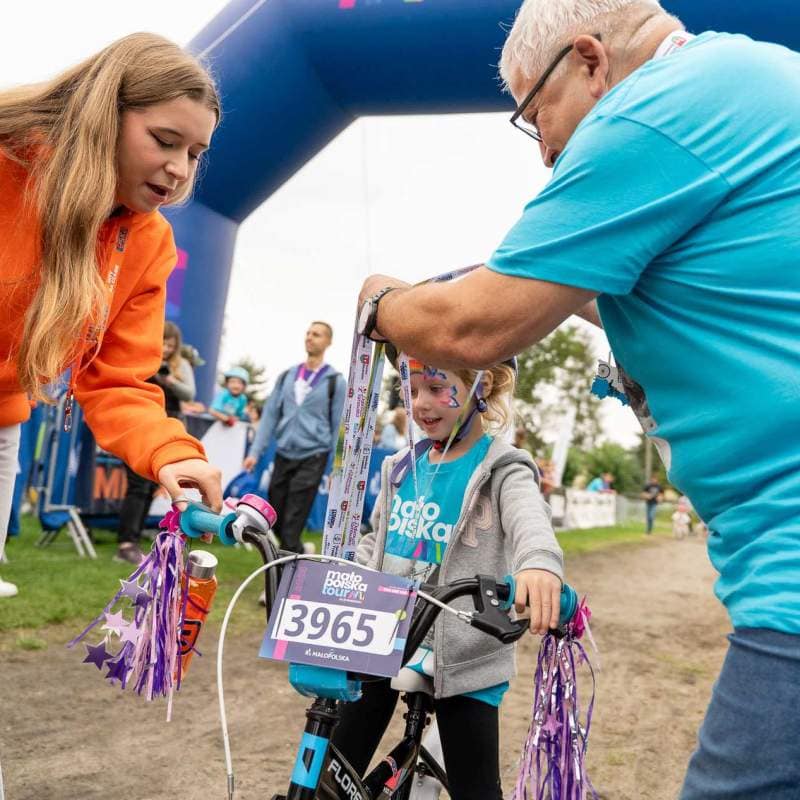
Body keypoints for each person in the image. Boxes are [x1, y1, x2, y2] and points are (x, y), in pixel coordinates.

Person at [357, 1, 800, 794]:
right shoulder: (745, 77)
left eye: (535, 115)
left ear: (590, 61)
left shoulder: (655, 110)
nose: (547, 152)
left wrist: (382, 299)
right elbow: (685, 292)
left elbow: (472, 329)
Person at [0, 33, 224, 599]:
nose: (178, 169)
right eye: (164, 141)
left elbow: (118, 379)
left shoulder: (151, 244)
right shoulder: (8, 169)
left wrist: (172, 452)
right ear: (106, 117)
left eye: (194, 154)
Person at [330, 356, 563, 800]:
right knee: (334, 762)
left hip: (462, 650)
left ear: (482, 385)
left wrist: (537, 563)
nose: (421, 403)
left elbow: (531, 521)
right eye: (411, 390)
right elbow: (374, 542)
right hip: (385, 634)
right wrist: (343, 574)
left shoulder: (503, 467)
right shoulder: (400, 466)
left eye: (437, 388)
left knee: (475, 785)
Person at [243, 322, 346, 553]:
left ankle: (283, 584)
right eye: (308, 333)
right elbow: (269, 415)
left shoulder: (334, 381)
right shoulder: (287, 376)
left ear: (328, 342)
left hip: (313, 456)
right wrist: (254, 452)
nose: (310, 337)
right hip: (284, 453)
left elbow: (339, 426)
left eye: (317, 334)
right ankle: (301, 552)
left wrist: (337, 468)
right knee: (277, 518)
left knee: (292, 522)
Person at [116, 322, 196, 564]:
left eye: (171, 346)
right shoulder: (140, 358)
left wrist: (170, 380)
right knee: (137, 485)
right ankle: (126, 542)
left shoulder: (180, 365)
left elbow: (190, 393)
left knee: (151, 486)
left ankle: (135, 537)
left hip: (166, 428)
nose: (167, 349)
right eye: (163, 343)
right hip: (139, 426)